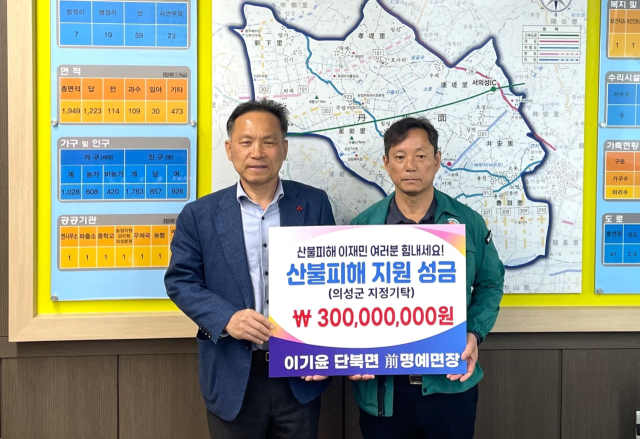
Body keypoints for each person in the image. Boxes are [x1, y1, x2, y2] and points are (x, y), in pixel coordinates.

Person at [165, 99, 335, 439]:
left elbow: (333, 280)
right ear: (230, 150)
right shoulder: (199, 215)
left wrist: (325, 351)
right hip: (232, 374)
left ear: (284, 149)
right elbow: (181, 281)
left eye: (268, 142)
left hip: (299, 374)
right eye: (246, 142)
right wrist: (227, 318)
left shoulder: (314, 203)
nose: (257, 152)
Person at [348, 116, 505, 439]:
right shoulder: (362, 227)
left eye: (420, 155)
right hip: (384, 392)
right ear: (386, 163)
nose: (410, 165)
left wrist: (474, 334)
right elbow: (344, 298)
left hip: (450, 386)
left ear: (437, 160)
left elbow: (490, 284)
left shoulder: (467, 222)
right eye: (400, 156)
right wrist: (349, 352)